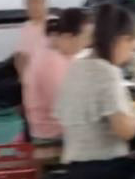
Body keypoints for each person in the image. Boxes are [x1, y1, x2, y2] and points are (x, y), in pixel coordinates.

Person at [54, 2, 135, 179]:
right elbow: (125, 131)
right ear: (122, 40)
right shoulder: (106, 72)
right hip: (102, 174)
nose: (130, 56)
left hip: (79, 170)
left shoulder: (77, 65)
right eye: (131, 48)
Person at [22, 8, 91, 143]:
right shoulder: (51, 61)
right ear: (68, 37)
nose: (87, 44)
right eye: (85, 38)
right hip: (53, 135)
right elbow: (64, 107)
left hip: (59, 129)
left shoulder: (59, 52)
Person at [14, 0, 48, 80]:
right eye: (30, 3)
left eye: (37, 2)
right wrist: (24, 77)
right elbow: (20, 56)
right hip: (30, 76)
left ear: (44, 3)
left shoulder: (54, 23)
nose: (34, 6)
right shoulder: (26, 26)